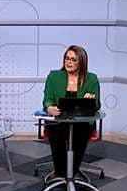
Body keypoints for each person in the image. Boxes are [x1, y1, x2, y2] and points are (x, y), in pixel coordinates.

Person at [42, 45, 101, 179]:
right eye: (67, 58)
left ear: (81, 62)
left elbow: (97, 104)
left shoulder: (91, 79)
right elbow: (47, 99)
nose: (69, 62)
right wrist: (49, 107)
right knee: (57, 136)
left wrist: (91, 100)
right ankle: (60, 174)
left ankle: (72, 174)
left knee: (79, 139)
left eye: (73, 60)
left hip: (81, 123)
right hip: (58, 121)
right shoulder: (54, 77)